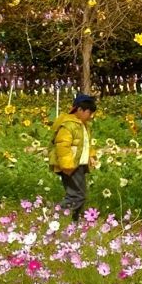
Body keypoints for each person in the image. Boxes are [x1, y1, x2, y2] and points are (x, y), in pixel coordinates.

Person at [49, 93, 96, 221]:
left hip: (79, 164)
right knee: (77, 195)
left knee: (78, 194)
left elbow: (86, 144)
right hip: (70, 165)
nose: (90, 116)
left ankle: (72, 219)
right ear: (79, 109)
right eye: (89, 112)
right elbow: (62, 146)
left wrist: (91, 156)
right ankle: (58, 216)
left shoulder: (82, 125)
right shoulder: (68, 125)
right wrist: (67, 165)